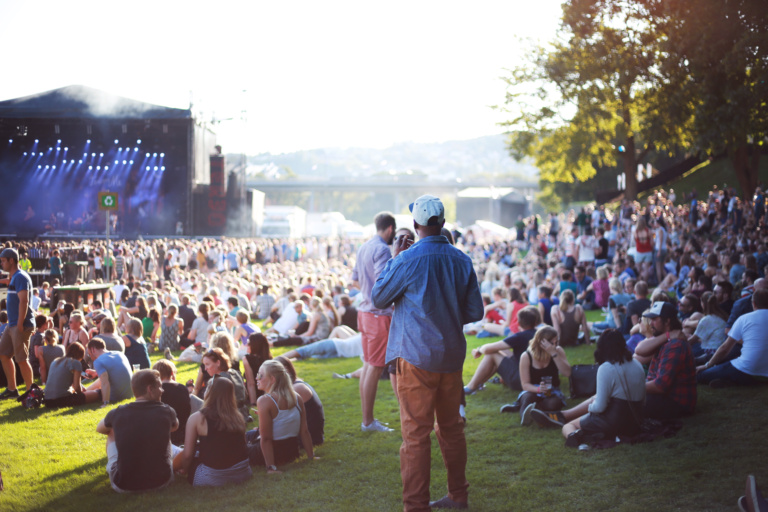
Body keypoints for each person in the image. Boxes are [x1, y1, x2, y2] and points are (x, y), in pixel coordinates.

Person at [371, 194, 484, 511]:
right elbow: (475, 310)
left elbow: (379, 297)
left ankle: (415, 505)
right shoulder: (462, 260)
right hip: (449, 358)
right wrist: (446, 314)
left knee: (416, 436)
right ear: (442, 224)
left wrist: (394, 257)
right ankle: (458, 496)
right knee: (451, 430)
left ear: (417, 225)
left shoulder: (406, 260)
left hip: (416, 357)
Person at [530, 329, 646, 447]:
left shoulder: (606, 368)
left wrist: (590, 408)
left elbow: (599, 408)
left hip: (614, 421)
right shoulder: (636, 363)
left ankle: (575, 435)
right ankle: (565, 419)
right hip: (635, 421)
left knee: (569, 426)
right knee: (595, 402)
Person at [96, 369, 179, 492]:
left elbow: (100, 428)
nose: (162, 390)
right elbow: (174, 427)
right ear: (150, 389)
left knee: (111, 432)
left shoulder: (118, 413)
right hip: (162, 481)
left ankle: (117, 467)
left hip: (123, 485)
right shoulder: (167, 411)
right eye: (160, 387)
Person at [352, 211, 397, 432]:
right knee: (375, 367)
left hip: (365, 313)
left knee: (369, 365)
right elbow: (383, 284)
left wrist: (366, 291)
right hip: (378, 315)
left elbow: (354, 279)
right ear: (390, 229)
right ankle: (367, 422)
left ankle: (367, 420)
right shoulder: (381, 249)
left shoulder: (364, 247)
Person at [173, 378, 252, 486]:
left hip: (211, 477)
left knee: (185, 452)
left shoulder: (197, 418)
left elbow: (187, 455)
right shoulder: (238, 416)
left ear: (209, 393)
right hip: (243, 473)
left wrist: (185, 470)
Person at [246, 360, 315, 472]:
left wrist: (271, 468)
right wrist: (311, 456)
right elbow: (304, 431)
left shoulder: (264, 400)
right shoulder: (297, 397)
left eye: (260, 375)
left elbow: (266, 439)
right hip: (291, 452)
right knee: (248, 435)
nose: (256, 378)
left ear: (272, 379)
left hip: (273, 453)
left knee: (233, 446)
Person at [633, 302, 697, 419]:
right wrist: (668, 335)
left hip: (676, 402)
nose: (650, 323)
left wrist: (629, 388)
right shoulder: (665, 338)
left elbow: (660, 386)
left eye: (654, 319)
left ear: (667, 321)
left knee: (622, 402)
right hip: (663, 396)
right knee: (616, 398)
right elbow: (639, 350)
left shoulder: (675, 345)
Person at [696, 289, 768, 387]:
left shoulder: (744, 319)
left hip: (746, 368)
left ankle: (737, 382)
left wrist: (707, 365)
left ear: (753, 303)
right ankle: (755, 382)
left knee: (700, 376)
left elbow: (725, 348)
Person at [465, 306, 539, 396]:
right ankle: (478, 384)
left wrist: (479, 349)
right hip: (536, 379)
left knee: (491, 354)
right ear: (535, 322)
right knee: (502, 350)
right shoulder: (539, 334)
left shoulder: (519, 336)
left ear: (518, 323)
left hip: (523, 381)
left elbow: (489, 349)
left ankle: (470, 387)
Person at [518, 326, 573, 426]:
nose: (555, 345)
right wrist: (538, 389)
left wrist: (553, 353)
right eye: (552, 343)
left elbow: (567, 373)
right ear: (541, 342)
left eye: (556, 342)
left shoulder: (558, 351)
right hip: (533, 389)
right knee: (528, 397)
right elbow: (525, 384)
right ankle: (525, 417)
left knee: (552, 404)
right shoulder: (526, 356)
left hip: (552, 390)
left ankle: (537, 411)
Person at [0, 248, 36, 399]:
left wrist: (20, 324)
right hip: (12, 324)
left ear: (11, 260)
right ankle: (12, 389)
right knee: (3, 354)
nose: (1, 263)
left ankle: (31, 393)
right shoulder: (15, 276)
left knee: (22, 359)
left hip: (20, 324)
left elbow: (24, 301)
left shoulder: (21, 276)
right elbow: (9, 282)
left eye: (3, 261)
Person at [275, 356, 325, 446]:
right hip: (308, 433)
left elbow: (282, 418)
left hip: (309, 436)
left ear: (286, 370)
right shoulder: (296, 383)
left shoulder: (296, 388)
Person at [43, 342, 101, 408]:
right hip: (61, 400)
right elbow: (77, 388)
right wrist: (83, 395)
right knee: (98, 392)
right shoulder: (75, 362)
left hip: (47, 401)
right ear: (81, 354)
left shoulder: (56, 361)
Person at [153, 359, 195, 446]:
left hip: (162, 434)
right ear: (172, 373)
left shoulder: (156, 391)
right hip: (182, 432)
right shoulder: (182, 388)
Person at [201, 347, 248, 422]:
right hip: (243, 413)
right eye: (204, 365)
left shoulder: (218, 380)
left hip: (227, 416)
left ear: (218, 363)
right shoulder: (235, 372)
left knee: (191, 398)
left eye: (207, 364)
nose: (205, 368)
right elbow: (245, 394)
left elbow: (208, 402)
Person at [87, 338, 133, 406]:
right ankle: (86, 390)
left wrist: (105, 403)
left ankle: (84, 392)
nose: (90, 357)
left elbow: (105, 382)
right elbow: (116, 371)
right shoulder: (119, 353)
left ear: (93, 349)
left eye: (89, 354)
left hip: (116, 396)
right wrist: (96, 373)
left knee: (90, 393)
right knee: (101, 378)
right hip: (130, 393)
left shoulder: (98, 361)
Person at [243, 333, 272, 407]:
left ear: (254, 345)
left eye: (249, 343)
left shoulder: (247, 359)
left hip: (255, 393)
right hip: (268, 392)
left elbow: (251, 383)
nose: (246, 345)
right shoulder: (268, 358)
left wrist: (253, 403)